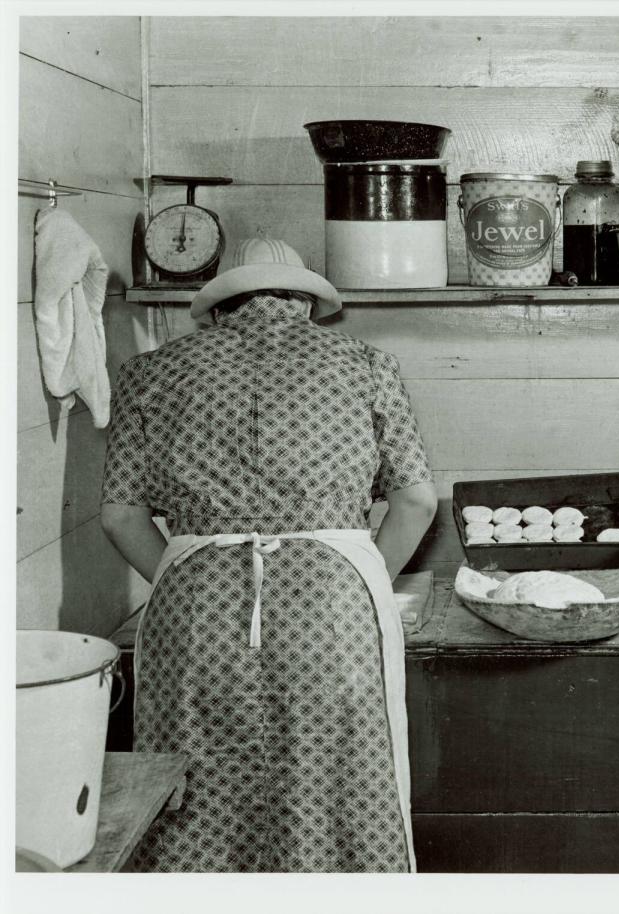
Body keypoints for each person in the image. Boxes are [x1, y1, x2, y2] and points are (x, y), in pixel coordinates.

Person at [99, 238, 438, 872]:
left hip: (195, 612)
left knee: (193, 788)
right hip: (332, 610)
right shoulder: (366, 365)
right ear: (307, 304)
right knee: (335, 782)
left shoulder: (151, 371)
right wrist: (356, 578)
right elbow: (415, 501)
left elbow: (120, 515)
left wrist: (185, 573)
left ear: (222, 309)